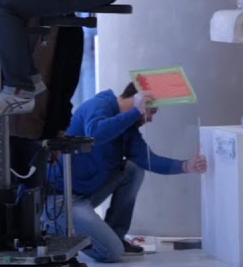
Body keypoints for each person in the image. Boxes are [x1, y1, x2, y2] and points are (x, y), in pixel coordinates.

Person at [44, 84, 207, 263]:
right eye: (151, 111)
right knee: (112, 253)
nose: (150, 118)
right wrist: (136, 111)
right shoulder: (99, 105)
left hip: (85, 195)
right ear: (138, 100)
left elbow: (148, 160)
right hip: (60, 200)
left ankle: (114, 234)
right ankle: (57, 227)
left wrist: (186, 166)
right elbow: (96, 134)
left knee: (133, 168)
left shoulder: (128, 128)